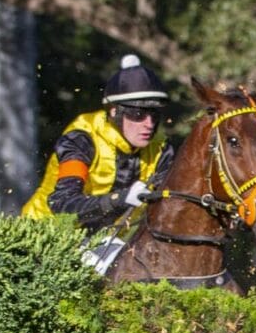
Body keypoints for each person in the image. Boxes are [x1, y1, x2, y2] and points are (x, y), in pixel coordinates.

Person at [21, 55, 175, 269]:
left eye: (154, 114)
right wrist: (119, 199)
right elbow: (62, 204)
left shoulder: (161, 149)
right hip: (45, 238)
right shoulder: (81, 141)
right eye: (138, 113)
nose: (148, 124)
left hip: (103, 243)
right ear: (114, 112)